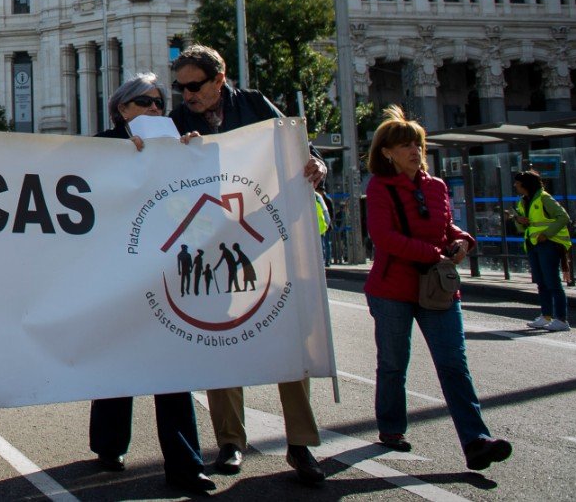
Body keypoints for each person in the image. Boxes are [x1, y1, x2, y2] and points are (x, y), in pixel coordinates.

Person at [165, 44, 327, 484]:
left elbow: (300, 151)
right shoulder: (179, 123)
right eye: (181, 88)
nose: (187, 96)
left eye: (195, 86)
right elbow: (161, 177)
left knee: (289, 339)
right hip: (215, 245)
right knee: (222, 341)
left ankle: (301, 444)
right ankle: (231, 443)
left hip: (268, 239)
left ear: (220, 79)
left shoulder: (256, 106)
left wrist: (316, 164)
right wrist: (178, 153)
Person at [364, 106, 512, 469]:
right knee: (394, 362)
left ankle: (476, 441)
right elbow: (384, 237)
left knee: (453, 364)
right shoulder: (380, 186)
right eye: (404, 145)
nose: (414, 150)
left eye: (417, 144)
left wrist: (463, 242)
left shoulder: (436, 186)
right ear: (386, 152)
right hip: (393, 289)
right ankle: (392, 427)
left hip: (438, 290)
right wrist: (433, 253)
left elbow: (449, 228)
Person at [88, 74, 215, 494]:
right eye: (145, 102)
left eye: (161, 103)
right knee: (117, 363)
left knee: (171, 369)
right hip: (114, 274)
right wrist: (121, 159)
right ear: (122, 109)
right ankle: (109, 445)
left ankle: (186, 465)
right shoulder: (101, 144)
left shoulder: (176, 143)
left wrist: (191, 155)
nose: (156, 110)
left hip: (163, 272)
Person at [511, 171, 572, 332]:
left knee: (552, 282)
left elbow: (563, 217)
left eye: (517, 183)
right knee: (541, 282)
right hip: (533, 243)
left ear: (526, 184)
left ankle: (561, 319)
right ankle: (546, 316)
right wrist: (518, 220)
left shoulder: (544, 198)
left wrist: (547, 234)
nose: (515, 185)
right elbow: (523, 225)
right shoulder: (523, 201)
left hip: (548, 244)